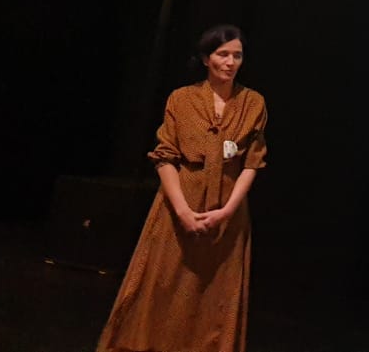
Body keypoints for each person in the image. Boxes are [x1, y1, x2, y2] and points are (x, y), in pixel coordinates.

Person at [98, 24, 269, 352]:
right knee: (163, 286)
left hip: (227, 212)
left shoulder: (253, 103)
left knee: (215, 294)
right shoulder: (182, 99)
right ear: (206, 58)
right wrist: (182, 211)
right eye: (222, 54)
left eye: (237, 55)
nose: (230, 62)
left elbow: (252, 163)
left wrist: (228, 211)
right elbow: (165, 159)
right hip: (180, 204)